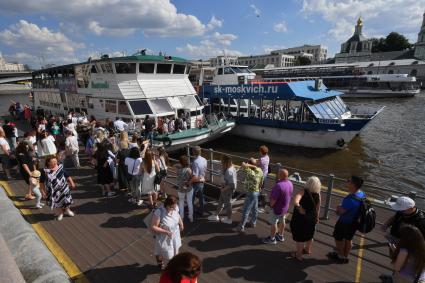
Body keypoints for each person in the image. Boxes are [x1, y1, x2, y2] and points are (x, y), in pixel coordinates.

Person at [328, 176, 365, 264]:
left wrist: (338, 208)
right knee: (348, 239)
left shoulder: (350, 200)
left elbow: (340, 212)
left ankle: (340, 255)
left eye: (349, 181)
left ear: (353, 185)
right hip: (354, 222)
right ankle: (345, 255)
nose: (346, 181)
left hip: (344, 222)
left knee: (338, 238)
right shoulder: (361, 194)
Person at [290, 176, 322, 261]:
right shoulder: (318, 194)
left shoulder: (303, 191)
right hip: (312, 217)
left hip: (301, 218)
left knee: (300, 237)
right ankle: (307, 249)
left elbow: (295, 200)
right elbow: (318, 207)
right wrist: (317, 217)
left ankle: (298, 255)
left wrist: (299, 207)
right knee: (309, 234)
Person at [151, 195, 183, 269]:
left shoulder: (175, 208)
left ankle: (171, 266)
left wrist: (181, 224)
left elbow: (177, 215)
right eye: (171, 207)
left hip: (175, 235)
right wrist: (166, 232)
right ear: (167, 205)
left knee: (175, 252)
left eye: (174, 206)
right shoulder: (159, 212)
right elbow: (153, 226)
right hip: (164, 236)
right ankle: (160, 262)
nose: (173, 209)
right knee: (162, 252)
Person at [39, 156, 75, 221]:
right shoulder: (45, 171)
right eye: (53, 162)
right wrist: (43, 192)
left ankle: (67, 210)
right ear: (48, 163)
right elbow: (41, 182)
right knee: (57, 202)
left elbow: (67, 176)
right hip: (53, 191)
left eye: (55, 161)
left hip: (64, 188)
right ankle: (60, 213)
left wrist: (72, 183)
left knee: (66, 200)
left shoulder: (61, 167)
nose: (55, 163)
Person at [263, 168, 293, 244]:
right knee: (282, 220)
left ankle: (272, 239)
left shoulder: (278, 186)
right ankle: (280, 235)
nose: (277, 174)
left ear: (281, 175)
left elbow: (273, 199)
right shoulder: (290, 183)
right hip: (285, 208)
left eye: (278, 173)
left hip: (277, 208)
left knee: (274, 223)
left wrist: (270, 205)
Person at [207, 155, 237, 224]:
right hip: (225, 189)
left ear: (225, 162)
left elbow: (232, 184)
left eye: (222, 161)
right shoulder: (230, 167)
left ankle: (229, 219)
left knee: (228, 204)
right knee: (221, 201)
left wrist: (223, 189)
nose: (221, 162)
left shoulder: (229, 171)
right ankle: (216, 215)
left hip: (227, 190)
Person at [236, 158, 263, 232]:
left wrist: (246, 163)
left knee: (246, 210)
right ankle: (253, 222)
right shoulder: (260, 171)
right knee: (255, 209)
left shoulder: (249, 172)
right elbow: (261, 183)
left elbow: (243, 165)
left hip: (250, 193)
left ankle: (241, 226)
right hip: (256, 191)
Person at [191, 146, 207, 217]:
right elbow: (205, 170)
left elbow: (195, 176)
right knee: (201, 197)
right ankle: (201, 211)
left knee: (191, 198)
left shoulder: (195, 162)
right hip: (202, 180)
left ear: (194, 152)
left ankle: (191, 212)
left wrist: (189, 182)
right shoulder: (204, 159)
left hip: (196, 182)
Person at [176, 155, 193, 222]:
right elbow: (191, 177)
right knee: (190, 202)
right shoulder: (189, 170)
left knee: (181, 202)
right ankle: (191, 217)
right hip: (188, 187)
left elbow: (178, 177)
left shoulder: (178, 170)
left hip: (181, 188)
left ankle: (181, 217)